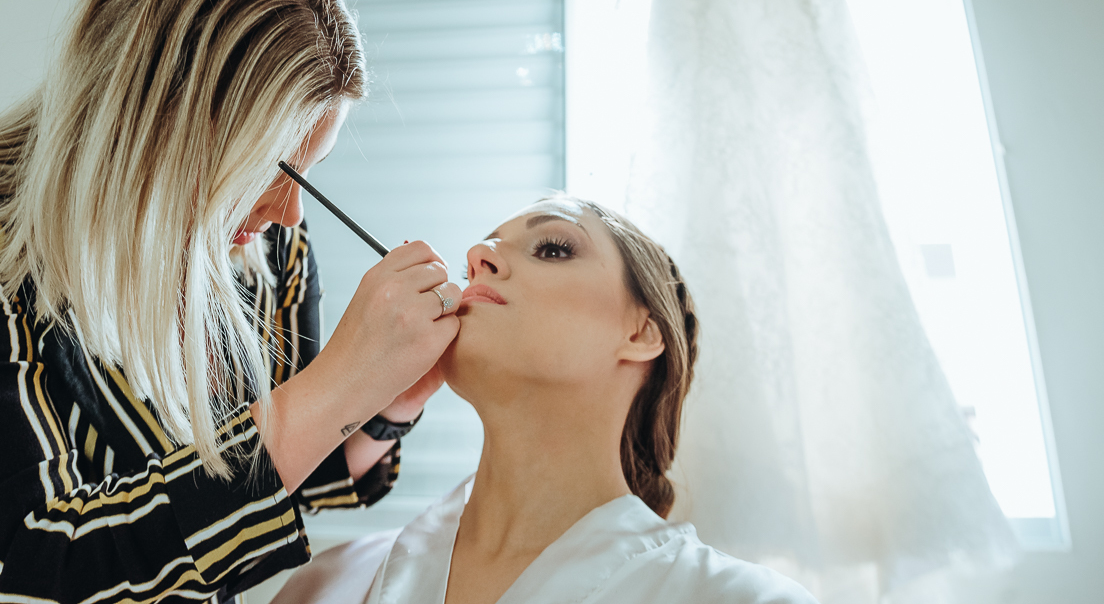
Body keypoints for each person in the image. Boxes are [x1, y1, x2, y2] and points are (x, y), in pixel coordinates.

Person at [0, 0, 462, 603]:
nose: (289, 213)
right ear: (152, 121)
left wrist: (386, 401)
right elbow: (12, 568)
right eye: (268, 166)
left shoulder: (261, 243)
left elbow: (267, 477)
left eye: (311, 172)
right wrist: (340, 385)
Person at [275, 196, 818, 604]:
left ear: (643, 332)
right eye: (480, 250)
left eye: (553, 248)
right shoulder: (325, 587)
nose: (478, 255)